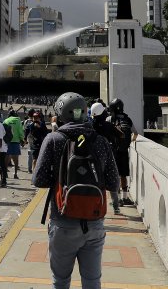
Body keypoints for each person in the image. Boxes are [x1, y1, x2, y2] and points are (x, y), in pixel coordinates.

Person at [33, 92, 119, 289]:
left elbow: (39, 180)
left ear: (61, 113)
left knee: (61, 281)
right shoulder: (101, 141)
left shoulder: (53, 139)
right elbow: (114, 183)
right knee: (92, 281)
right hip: (94, 221)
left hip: (62, 220)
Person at [90, 101, 124, 214]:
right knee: (112, 178)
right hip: (109, 155)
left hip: (93, 157)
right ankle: (116, 207)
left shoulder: (90, 126)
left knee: (95, 181)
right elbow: (121, 135)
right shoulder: (108, 125)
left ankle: (95, 207)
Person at [106, 98, 138, 207]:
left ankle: (117, 200)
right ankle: (125, 198)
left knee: (115, 175)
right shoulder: (127, 119)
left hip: (113, 151)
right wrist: (129, 142)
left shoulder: (109, 119)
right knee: (123, 175)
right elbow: (135, 133)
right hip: (124, 151)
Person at [3, 109, 24, 179]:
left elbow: (3, 131)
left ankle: (5, 173)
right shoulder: (18, 120)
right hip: (16, 141)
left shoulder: (6, 120)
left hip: (7, 141)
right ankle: (15, 174)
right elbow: (20, 131)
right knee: (16, 159)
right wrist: (22, 139)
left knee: (7, 157)